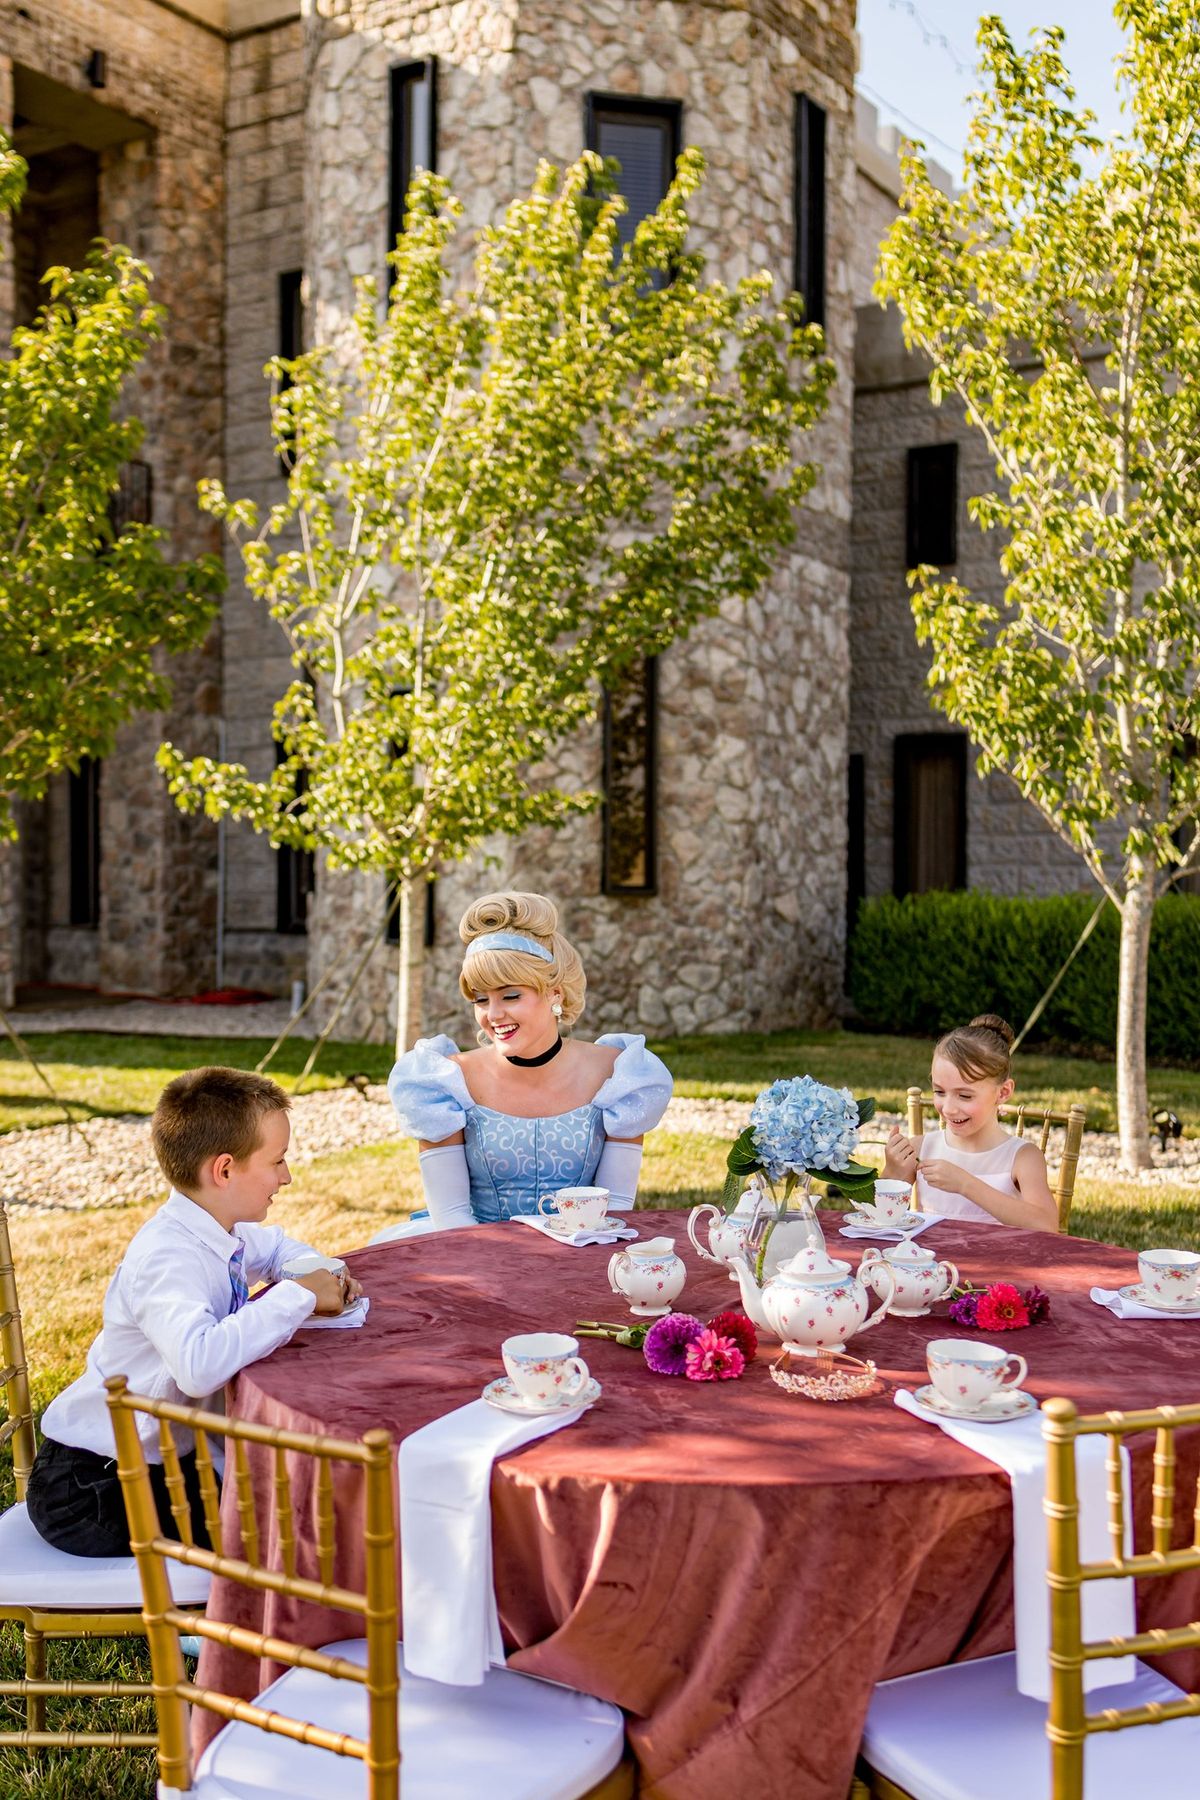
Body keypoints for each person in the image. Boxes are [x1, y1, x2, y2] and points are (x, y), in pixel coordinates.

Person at [27, 1067, 362, 1557]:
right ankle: (217, 1631)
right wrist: (301, 1296)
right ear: (224, 1170)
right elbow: (198, 1366)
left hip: (160, 1461)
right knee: (286, 1534)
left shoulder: (220, 1225)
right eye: (278, 1161)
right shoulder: (167, 1257)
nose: (287, 1176)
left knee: (299, 1501)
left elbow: (278, 1251)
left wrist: (320, 1274)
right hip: (91, 1487)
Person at [386, 891, 673, 1228]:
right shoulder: (444, 1081)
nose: (493, 1014)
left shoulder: (618, 1075)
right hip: (470, 1251)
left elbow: (613, 1210)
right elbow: (451, 1218)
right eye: (480, 999)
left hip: (586, 1250)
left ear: (555, 993)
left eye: (510, 995)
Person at [882, 1014, 1058, 1230]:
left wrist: (966, 1184)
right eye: (939, 1091)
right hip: (931, 1261)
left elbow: (1047, 1226)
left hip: (1001, 1262)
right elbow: (878, 1219)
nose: (948, 1108)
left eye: (964, 1096)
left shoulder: (1023, 1158)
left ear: (1003, 1092)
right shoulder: (921, 1148)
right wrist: (892, 1171)